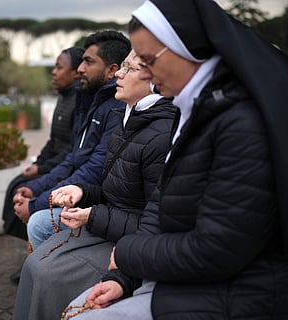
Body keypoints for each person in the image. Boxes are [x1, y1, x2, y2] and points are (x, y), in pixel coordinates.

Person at [62, 1, 288, 319]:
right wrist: (122, 277)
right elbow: (161, 209)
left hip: (245, 292)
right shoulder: (195, 108)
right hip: (190, 275)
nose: (148, 74)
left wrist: (128, 254)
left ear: (185, 48)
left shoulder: (240, 122)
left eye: (147, 60)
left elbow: (218, 249)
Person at [12, 49, 177, 320]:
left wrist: (92, 214)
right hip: (109, 226)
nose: (119, 75)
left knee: (45, 273)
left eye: (130, 69)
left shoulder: (159, 135)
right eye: (121, 66)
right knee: (34, 264)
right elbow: (117, 191)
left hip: (127, 241)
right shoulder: (128, 119)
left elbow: (154, 220)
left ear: (154, 82)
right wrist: (82, 192)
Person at [12, 31, 130, 234]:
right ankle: (37, 263)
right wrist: (36, 188)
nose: (80, 69)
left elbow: (93, 170)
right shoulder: (92, 101)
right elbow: (73, 158)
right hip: (81, 190)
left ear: (112, 71)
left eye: (88, 62)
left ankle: (43, 264)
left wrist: (36, 204)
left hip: (98, 200)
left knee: (39, 222)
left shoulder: (116, 108)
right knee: (21, 190)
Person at [2, 46, 84, 242]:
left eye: (59, 67)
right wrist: (37, 164)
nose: (54, 73)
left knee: (24, 188)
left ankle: (35, 251)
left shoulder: (80, 102)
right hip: (52, 165)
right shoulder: (63, 98)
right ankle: (30, 247)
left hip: (63, 170)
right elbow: (53, 140)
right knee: (17, 183)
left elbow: (70, 151)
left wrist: (43, 169)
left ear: (75, 73)